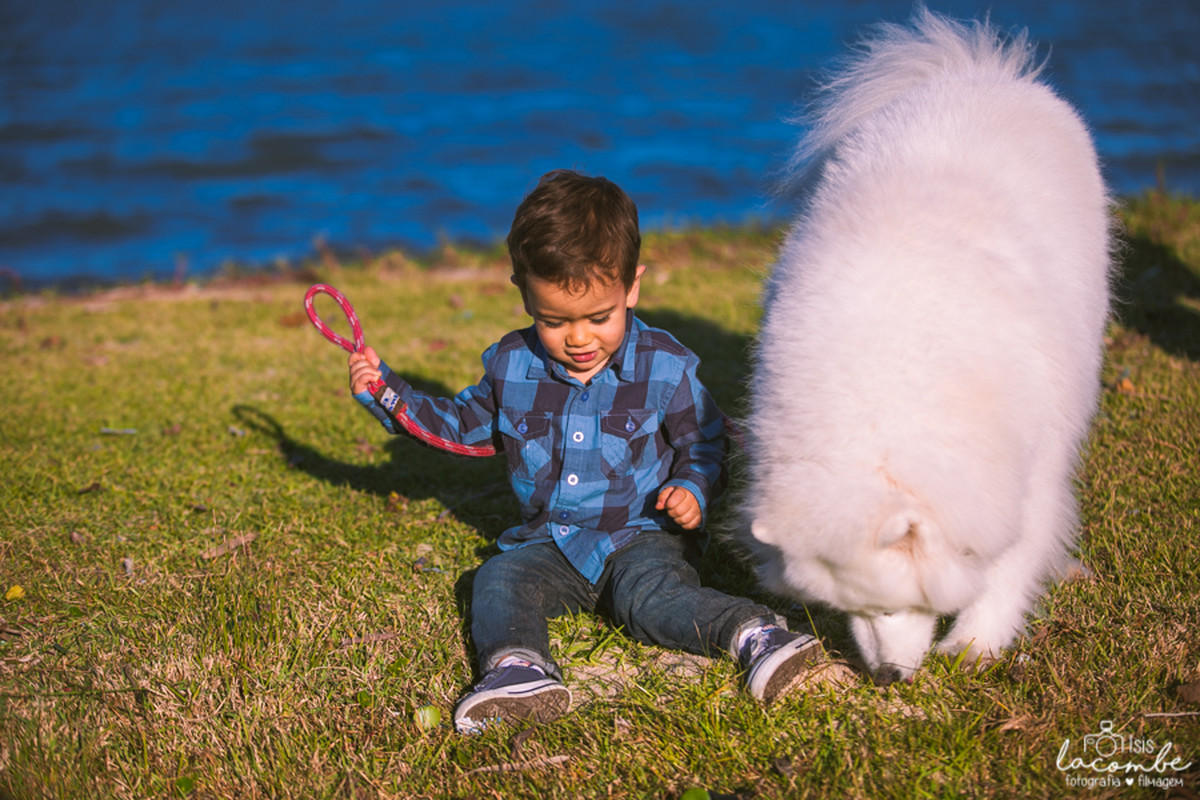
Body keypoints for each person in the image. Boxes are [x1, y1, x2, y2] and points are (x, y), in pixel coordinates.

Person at [348, 170, 820, 733]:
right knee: (498, 579)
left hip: (641, 537)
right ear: (524, 294)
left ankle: (754, 633)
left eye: (600, 317)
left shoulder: (667, 366)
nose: (578, 338)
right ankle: (518, 669)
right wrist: (388, 395)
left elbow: (704, 440)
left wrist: (693, 487)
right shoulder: (509, 366)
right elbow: (460, 425)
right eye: (554, 321)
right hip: (550, 544)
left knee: (652, 603)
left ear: (632, 288)